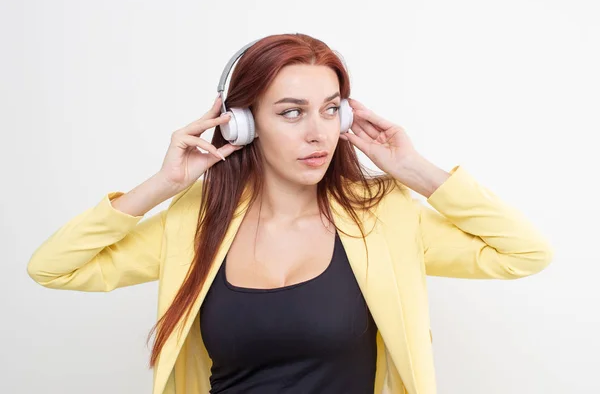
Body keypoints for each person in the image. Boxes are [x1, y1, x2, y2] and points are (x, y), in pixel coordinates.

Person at [27, 33, 553, 394]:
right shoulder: (194, 225)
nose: (318, 132)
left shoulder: (386, 217)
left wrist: (413, 168)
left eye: (330, 109)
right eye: (291, 112)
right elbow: (54, 267)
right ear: (242, 124)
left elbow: (525, 253)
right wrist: (163, 185)